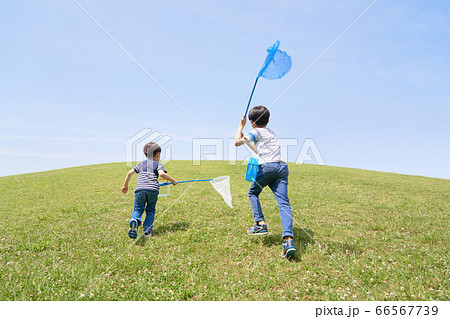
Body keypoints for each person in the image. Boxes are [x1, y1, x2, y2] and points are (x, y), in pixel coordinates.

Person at [235, 106, 295, 259]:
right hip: (282, 167)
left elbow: (236, 143)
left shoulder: (254, 131)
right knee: (283, 203)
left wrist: (240, 127)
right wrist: (246, 138)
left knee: (253, 192)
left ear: (251, 122)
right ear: (268, 120)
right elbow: (258, 151)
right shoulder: (271, 132)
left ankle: (260, 224)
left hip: (267, 168)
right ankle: (288, 241)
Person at [121, 142, 177, 239]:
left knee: (138, 209)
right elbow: (162, 174)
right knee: (150, 210)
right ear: (158, 154)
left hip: (140, 190)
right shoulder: (158, 164)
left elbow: (129, 173)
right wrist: (173, 180)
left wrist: (125, 186)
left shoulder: (141, 164)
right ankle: (147, 231)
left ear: (146, 154)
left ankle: (135, 220)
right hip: (153, 190)